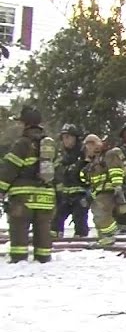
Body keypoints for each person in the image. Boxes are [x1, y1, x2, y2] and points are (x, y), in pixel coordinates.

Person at [0, 106, 57, 263]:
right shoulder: (49, 146)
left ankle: (19, 259)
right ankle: (43, 257)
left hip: (23, 198)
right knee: (43, 230)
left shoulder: (22, 144)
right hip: (46, 197)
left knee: (19, 229)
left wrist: (1, 189)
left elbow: (9, 169)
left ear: (25, 124)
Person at [80, 134, 126, 247]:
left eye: (88, 146)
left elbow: (115, 170)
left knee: (101, 214)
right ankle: (103, 237)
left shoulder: (109, 154)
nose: (87, 150)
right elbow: (87, 178)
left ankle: (109, 236)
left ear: (93, 144)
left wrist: (117, 186)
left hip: (108, 190)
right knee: (97, 215)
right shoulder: (94, 161)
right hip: (99, 192)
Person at [53, 123, 91, 238]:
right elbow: (56, 175)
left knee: (80, 221)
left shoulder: (84, 154)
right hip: (65, 196)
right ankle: (55, 239)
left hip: (81, 195)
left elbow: (91, 174)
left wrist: (89, 195)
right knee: (56, 220)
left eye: (68, 137)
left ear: (76, 138)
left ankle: (81, 243)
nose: (66, 140)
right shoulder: (61, 156)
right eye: (64, 138)